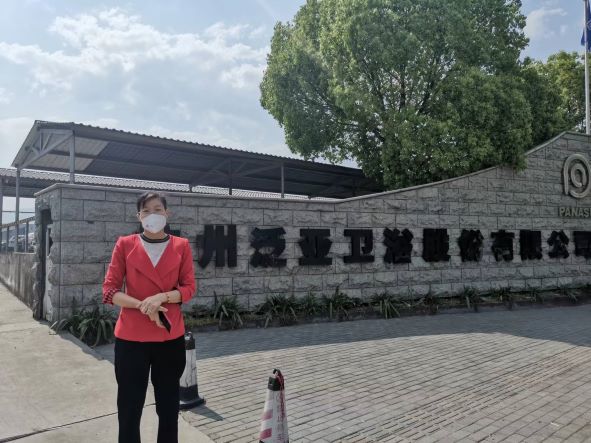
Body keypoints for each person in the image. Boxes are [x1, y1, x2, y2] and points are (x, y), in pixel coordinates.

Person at [103, 191, 196, 443]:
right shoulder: (125, 244)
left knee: (168, 409)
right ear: (138, 216)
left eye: (157, 209)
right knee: (129, 408)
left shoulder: (181, 245)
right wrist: (145, 305)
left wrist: (161, 297)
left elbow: (189, 288)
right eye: (146, 210)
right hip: (131, 339)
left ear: (167, 213)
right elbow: (109, 291)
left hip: (169, 337)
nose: (152, 215)